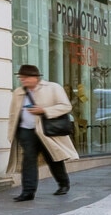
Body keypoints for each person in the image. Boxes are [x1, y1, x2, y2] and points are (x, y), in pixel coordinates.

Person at [7, 64, 78, 201]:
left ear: (35, 78)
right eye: (21, 77)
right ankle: (28, 192)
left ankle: (63, 183)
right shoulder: (18, 92)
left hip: (46, 130)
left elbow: (66, 106)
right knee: (28, 160)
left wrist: (44, 110)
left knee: (53, 158)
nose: (23, 80)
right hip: (26, 130)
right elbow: (13, 113)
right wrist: (12, 132)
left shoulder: (53, 88)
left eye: (25, 77)